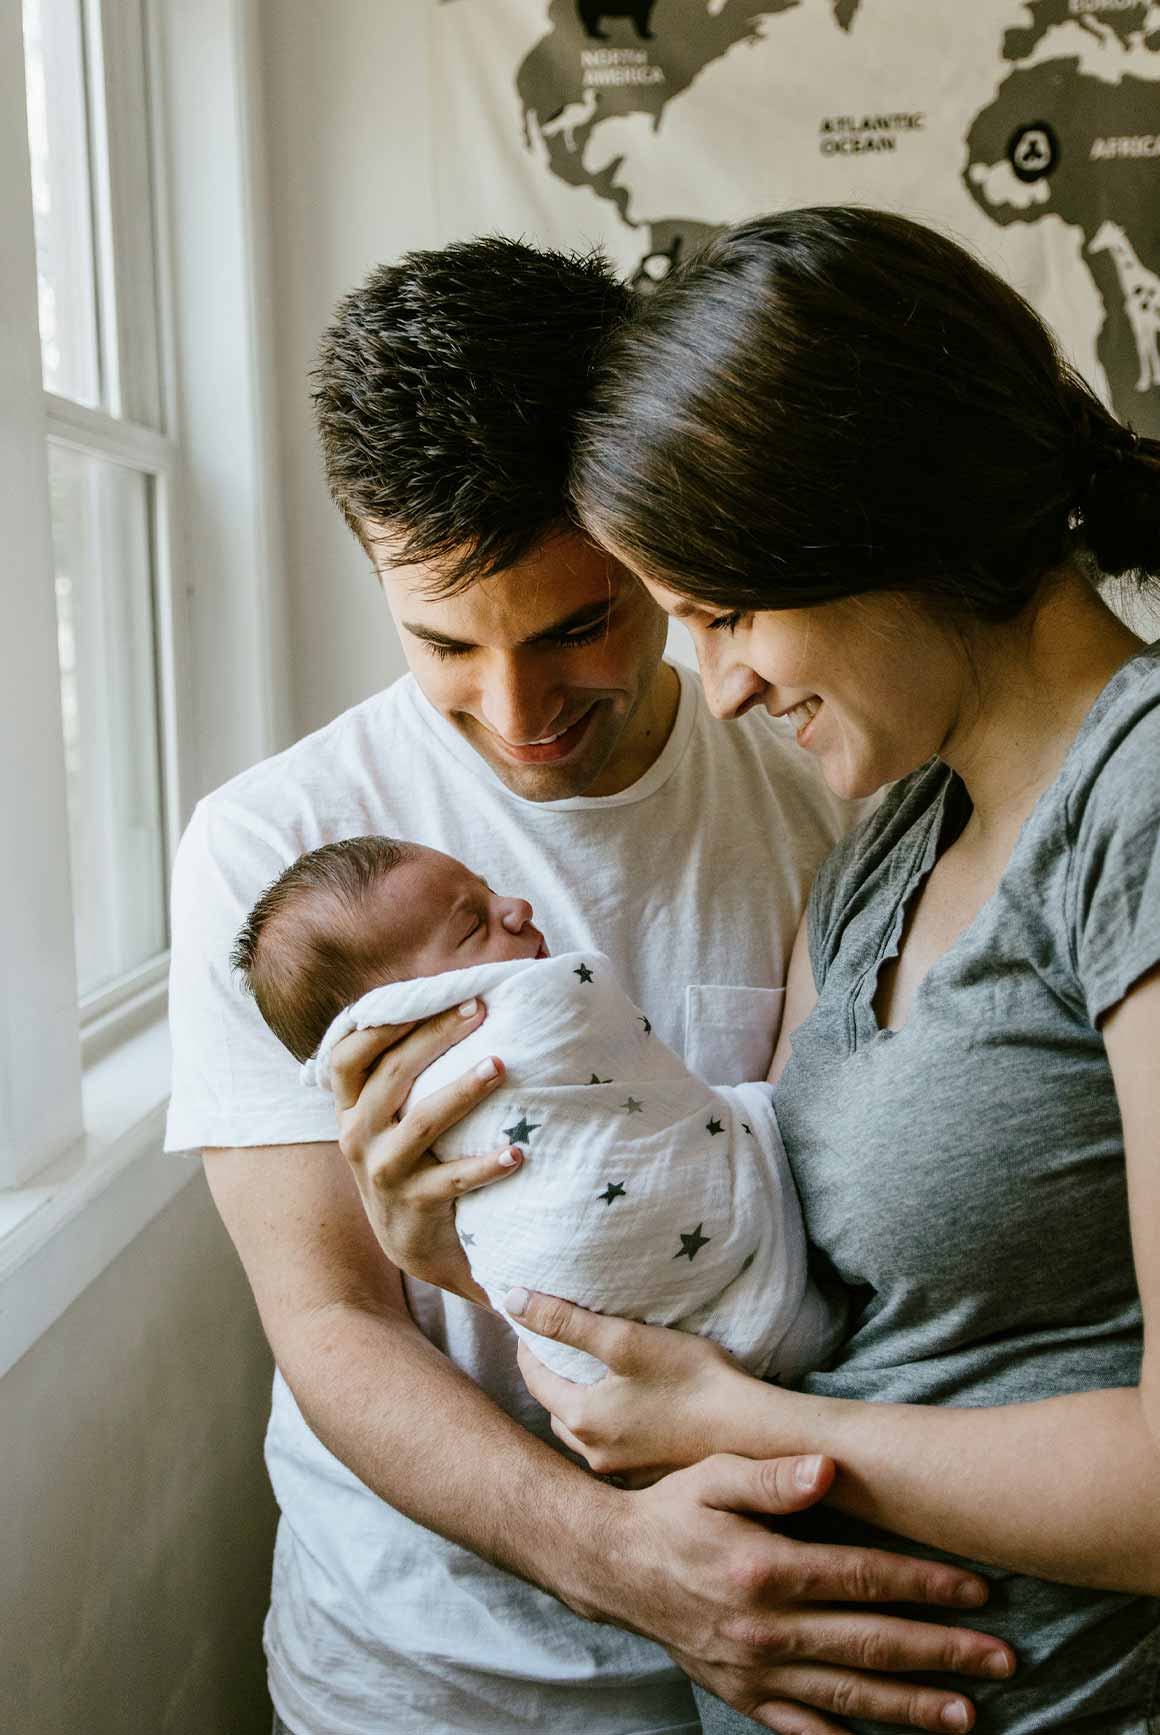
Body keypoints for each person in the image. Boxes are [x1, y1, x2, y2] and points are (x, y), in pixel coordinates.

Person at [164, 235, 1015, 1735]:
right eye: (442, 640)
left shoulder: (825, 773)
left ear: (651, 533)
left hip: (784, 1631)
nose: (517, 710)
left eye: (578, 623)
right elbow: (331, 1319)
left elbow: (867, 1209)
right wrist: (622, 1558)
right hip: (419, 1672)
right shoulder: (280, 857)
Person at [422, 206, 1159, 1733]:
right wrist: (467, 1234)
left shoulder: (1137, 799)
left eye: (731, 610)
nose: (727, 682)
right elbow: (783, 1260)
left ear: (878, 519)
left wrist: (751, 1425)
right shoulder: (896, 833)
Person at [232, 834, 842, 1386]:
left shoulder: (810, 816)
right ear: (407, 1009)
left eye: (490, 889)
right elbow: (327, 1319)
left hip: (643, 1377)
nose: (516, 906)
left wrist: (443, 1261)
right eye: (472, 927)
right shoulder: (253, 832)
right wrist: (426, 1253)